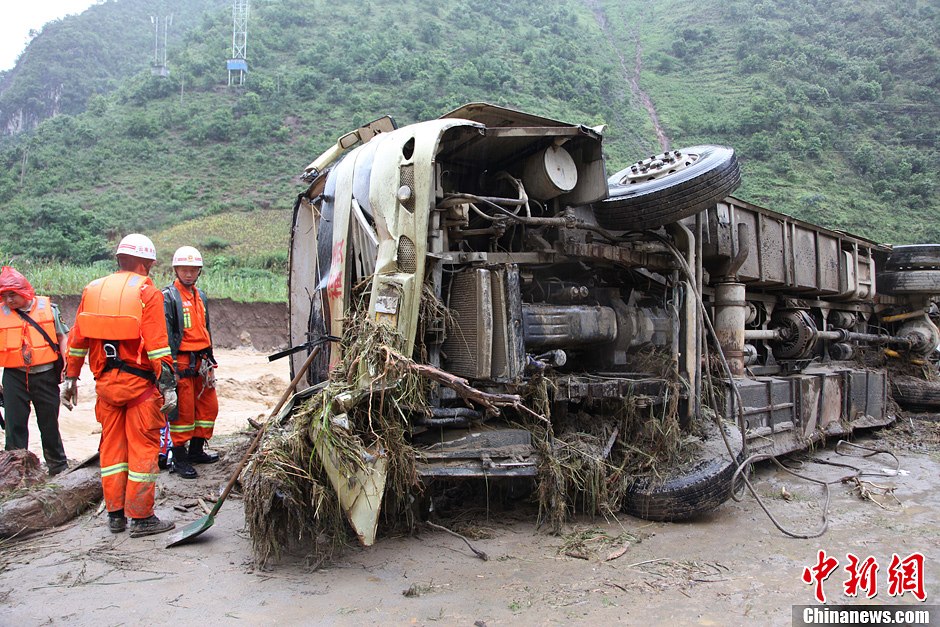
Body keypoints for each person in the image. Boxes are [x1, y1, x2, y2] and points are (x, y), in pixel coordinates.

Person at [61, 234, 177, 537]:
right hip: (138, 388)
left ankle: (115, 516)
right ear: (146, 263)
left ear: (119, 259)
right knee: (142, 450)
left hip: (106, 387)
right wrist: (169, 387)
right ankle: (141, 518)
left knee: (112, 451)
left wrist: (70, 378)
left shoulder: (94, 290)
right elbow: (157, 347)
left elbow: (77, 340)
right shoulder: (147, 293)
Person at [0, 266, 69, 475]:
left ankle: (58, 466)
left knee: (49, 423)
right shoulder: (1, 313)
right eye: (4, 295)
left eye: (13, 295)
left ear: (24, 292)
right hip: (14, 375)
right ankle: (13, 472)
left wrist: (67, 366)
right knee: (14, 425)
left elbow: (62, 337)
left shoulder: (49, 308)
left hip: (45, 374)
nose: (9, 300)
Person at [162, 245, 219, 479]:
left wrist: (211, 362)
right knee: (182, 413)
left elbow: (205, 329)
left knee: (208, 408)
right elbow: (165, 333)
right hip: (182, 363)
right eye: (184, 270)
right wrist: (170, 368)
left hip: (201, 361)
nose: (188, 274)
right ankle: (179, 458)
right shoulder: (168, 297)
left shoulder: (200, 296)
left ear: (199, 272)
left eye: (193, 270)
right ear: (176, 270)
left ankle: (196, 451)